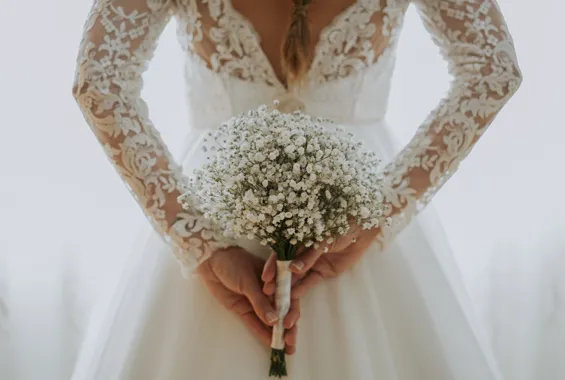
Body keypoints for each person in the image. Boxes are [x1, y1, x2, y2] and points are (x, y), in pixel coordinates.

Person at [71, 0, 522, 378]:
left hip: (218, 205)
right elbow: (492, 67)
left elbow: (99, 79)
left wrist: (200, 242)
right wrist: (376, 215)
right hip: (356, 206)